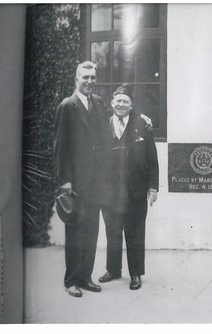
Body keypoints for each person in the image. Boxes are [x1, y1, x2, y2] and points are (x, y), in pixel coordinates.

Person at [53, 61, 108, 297]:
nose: (89, 81)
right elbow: (60, 147)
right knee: (75, 232)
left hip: (96, 180)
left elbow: (109, 130)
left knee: (93, 229)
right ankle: (71, 281)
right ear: (77, 78)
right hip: (76, 181)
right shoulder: (67, 106)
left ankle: (86, 277)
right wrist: (66, 180)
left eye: (93, 77)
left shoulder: (99, 103)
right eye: (85, 77)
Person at [98, 84, 159, 290]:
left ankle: (135, 274)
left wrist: (153, 188)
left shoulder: (142, 126)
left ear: (132, 105)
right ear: (112, 103)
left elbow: (152, 158)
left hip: (136, 190)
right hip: (109, 191)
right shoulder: (103, 125)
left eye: (125, 101)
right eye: (118, 100)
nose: (121, 104)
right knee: (112, 231)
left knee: (135, 233)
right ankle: (113, 270)